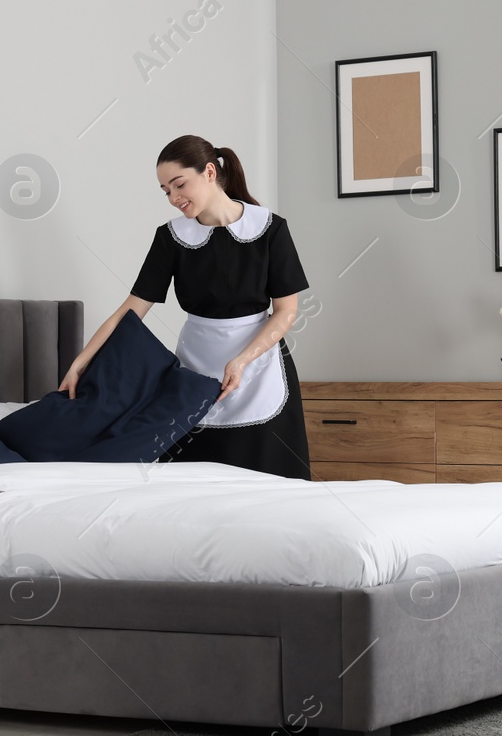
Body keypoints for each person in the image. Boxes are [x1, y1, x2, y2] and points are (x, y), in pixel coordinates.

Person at [58, 135, 312, 479]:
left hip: (260, 368)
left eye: (179, 185)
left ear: (210, 172)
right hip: (196, 369)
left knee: (270, 483)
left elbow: (286, 311)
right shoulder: (171, 237)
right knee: (190, 486)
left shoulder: (270, 229)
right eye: (166, 191)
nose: (174, 198)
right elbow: (130, 311)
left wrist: (241, 360)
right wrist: (80, 362)